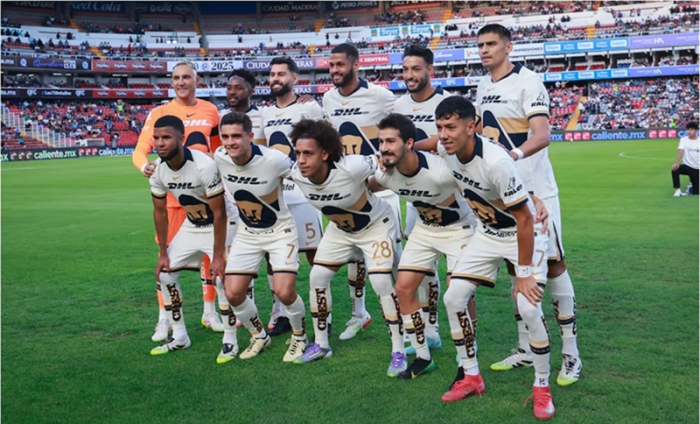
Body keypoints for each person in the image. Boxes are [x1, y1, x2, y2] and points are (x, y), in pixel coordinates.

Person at [433, 97, 554, 420]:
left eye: (451, 127)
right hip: (487, 233)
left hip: (523, 232)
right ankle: (471, 376)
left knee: (528, 306)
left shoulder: (496, 162)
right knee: (453, 297)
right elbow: (432, 143)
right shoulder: (446, 147)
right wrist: (404, 145)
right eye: (440, 126)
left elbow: (525, 218)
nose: (443, 134)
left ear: (471, 127)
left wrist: (524, 274)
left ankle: (542, 386)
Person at [475, 24, 581, 386]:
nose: (484, 50)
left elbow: (542, 134)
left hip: (538, 192)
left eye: (491, 44)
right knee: (515, 267)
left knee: (552, 265)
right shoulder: (483, 85)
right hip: (505, 194)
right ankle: (524, 348)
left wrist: (514, 155)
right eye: (480, 44)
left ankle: (571, 355)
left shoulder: (528, 81)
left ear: (508, 47)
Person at [288, 119, 406, 377]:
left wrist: (381, 179)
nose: (301, 160)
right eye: (298, 153)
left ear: (325, 153)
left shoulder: (352, 167)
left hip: (376, 225)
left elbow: (385, 160)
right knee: (317, 277)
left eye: (308, 153)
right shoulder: (296, 174)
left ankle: (399, 350)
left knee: (381, 282)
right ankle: (321, 345)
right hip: (341, 231)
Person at [375, 113, 476, 379]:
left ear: (409, 143)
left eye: (390, 141)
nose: (384, 147)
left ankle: (468, 352)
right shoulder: (385, 176)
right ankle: (423, 356)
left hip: (459, 228)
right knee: (403, 287)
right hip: (425, 229)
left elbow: (478, 185)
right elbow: (367, 186)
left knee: (460, 292)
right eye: (381, 142)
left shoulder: (442, 170)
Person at [132, 61, 223, 343]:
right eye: (175, 78)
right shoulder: (160, 112)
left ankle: (210, 312)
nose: (180, 82)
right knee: (167, 262)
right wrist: (144, 166)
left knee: (210, 256)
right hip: (173, 200)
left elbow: (218, 149)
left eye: (186, 77)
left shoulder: (211, 110)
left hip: (204, 196)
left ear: (197, 80)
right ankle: (164, 319)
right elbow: (140, 150)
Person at [214, 112, 308, 362]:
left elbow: (305, 175)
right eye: (225, 136)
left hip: (280, 231)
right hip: (247, 233)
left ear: (250, 136)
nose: (230, 142)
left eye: (236, 136)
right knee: (233, 292)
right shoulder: (220, 156)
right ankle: (259, 336)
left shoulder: (274, 160)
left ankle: (300, 337)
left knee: (284, 291)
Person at [322, 43, 399, 340]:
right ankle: (359, 314)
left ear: (356, 65)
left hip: (382, 187)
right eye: (331, 65)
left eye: (340, 64)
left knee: (392, 260)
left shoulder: (380, 96)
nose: (334, 70)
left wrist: (387, 163)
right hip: (349, 191)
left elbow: (402, 129)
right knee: (354, 257)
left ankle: (408, 319)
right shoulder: (328, 99)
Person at [148, 115, 227, 357]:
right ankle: (180, 336)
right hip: (192, 225)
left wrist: (218, 256)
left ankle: (230, 339)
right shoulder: (157, 170)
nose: (160, 143)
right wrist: (163, 253)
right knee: (165, 274)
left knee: (222, 278)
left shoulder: (204, 165)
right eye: (156, 138)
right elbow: (160, 212)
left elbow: (220, 213)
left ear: (181, 139)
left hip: (221, 223)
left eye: (166, 138)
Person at [261, 57, 326, 336]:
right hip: (276, 198)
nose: (275, 78)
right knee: (272, 258)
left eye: (281, 74)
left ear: (295, 78)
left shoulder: (309, 108)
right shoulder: (264, 113)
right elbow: (260, 154)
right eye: (272, 74)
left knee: (315, 257)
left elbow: (326, 143)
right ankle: (281, 312)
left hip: (305, 195)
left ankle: (322, 314)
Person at [393, 44, 451, 353]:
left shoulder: (446, 102)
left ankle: (464, 340)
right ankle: (430, 330)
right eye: (405, 69)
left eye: (416, 69)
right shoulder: (398, 106)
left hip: (453, 199)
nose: (409, 75)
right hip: (417, 200)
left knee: (458, 277)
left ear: (430, 70)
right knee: (424, 270)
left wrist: (415, 145)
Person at [672, 121, 699, 196]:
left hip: (697, 168)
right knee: (675, 169)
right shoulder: (684, 140)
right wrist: (677, 163)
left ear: (696, 131)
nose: (689, 131)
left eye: (692, 129)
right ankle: (678, 190)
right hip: (687, 166)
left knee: (696, 192)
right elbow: (681, 151)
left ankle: (691, 186)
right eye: (688, 129)